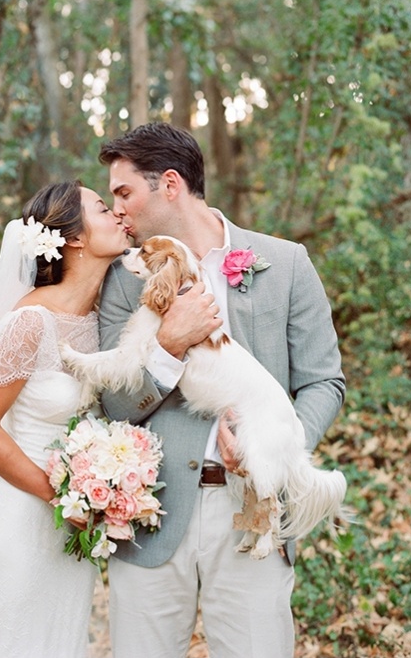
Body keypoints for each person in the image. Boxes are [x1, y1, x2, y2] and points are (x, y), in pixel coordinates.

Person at [97, 122, 346, 658]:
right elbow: (113, 404)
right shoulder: (122, 277)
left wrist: (270, 447)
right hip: (152, 513)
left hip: (254, 509)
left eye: (124, 193)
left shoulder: (285, 264)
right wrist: (168, 345)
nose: (117, 210)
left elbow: (324, 380)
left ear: (169, 184)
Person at [0, 180, 129, 658]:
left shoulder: (103, 317)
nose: (120, 216)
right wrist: (62, 495)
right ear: (76, 238)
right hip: (21, 519)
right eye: (104, 209)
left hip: (72, 528)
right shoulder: (29, 323)